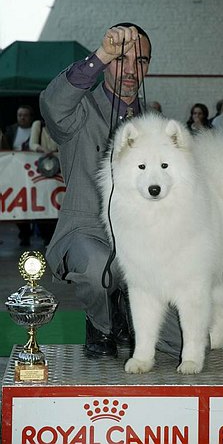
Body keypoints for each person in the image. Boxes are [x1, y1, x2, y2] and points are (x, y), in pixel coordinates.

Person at [40, 23, 182, 360]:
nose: (132, 70)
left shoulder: (158, 123)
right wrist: (102, 54)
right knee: (98, 267)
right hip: (87, 231)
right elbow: (52, 104)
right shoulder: (79, 111)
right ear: (106, 63)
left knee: (182, 344)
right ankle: (101, 324)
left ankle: (126, 312)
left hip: (143, 241)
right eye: (121, 60)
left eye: (141, 61)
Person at [5, 105, 34, 246]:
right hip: (15, 175)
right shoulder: (10, 131)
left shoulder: (37, 130)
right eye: (19, 115)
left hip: (34, 175)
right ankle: (24, 234)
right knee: (18, 205)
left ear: (30, 117)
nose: (22, 118)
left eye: (25, 115)